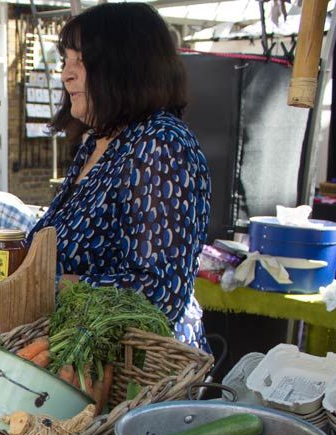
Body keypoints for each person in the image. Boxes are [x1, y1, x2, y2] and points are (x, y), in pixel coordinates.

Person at [30, 4, 212, 350]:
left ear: (125, 64)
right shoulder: (98, 143)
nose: (66, 75)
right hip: (81, 355)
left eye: (79, 61)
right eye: (64, 62)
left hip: (138, 371)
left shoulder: (160, 145)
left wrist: (44, 287)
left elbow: (159, 292)